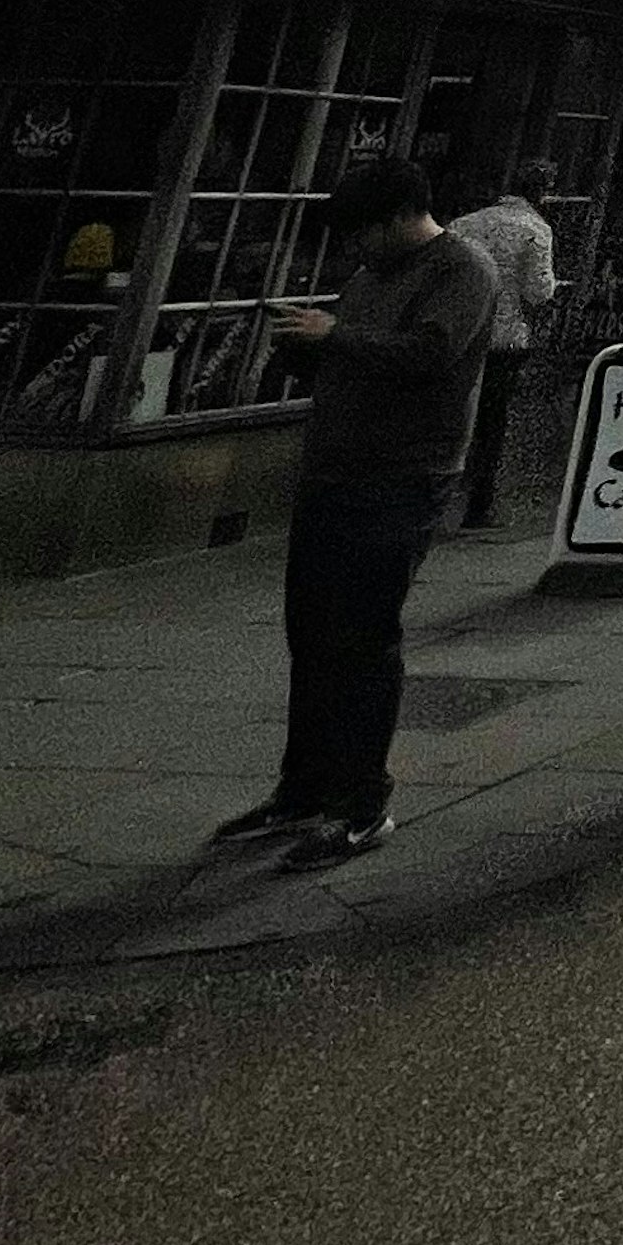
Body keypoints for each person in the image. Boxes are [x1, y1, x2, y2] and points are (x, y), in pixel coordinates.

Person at [207, 154, 495, 867]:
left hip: (403, 476)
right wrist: (309, 350)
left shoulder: (463, 269)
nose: (353, 250)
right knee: (311, 634)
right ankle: (302, 789)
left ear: (402, 215)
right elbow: (360, 357)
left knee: (365, 641)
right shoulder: (369, 276)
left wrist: (334, 336)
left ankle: (364, 805)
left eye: (362, 233)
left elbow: (431, 354)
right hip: (333, 471)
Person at [448, 159, 563, 530]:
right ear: (542, 193)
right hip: (506, 338)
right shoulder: (535, 231)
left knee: (455, 413)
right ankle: (479, 506)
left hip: (461, 333)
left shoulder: (466, 224)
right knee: (493, 421)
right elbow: (539, 291)